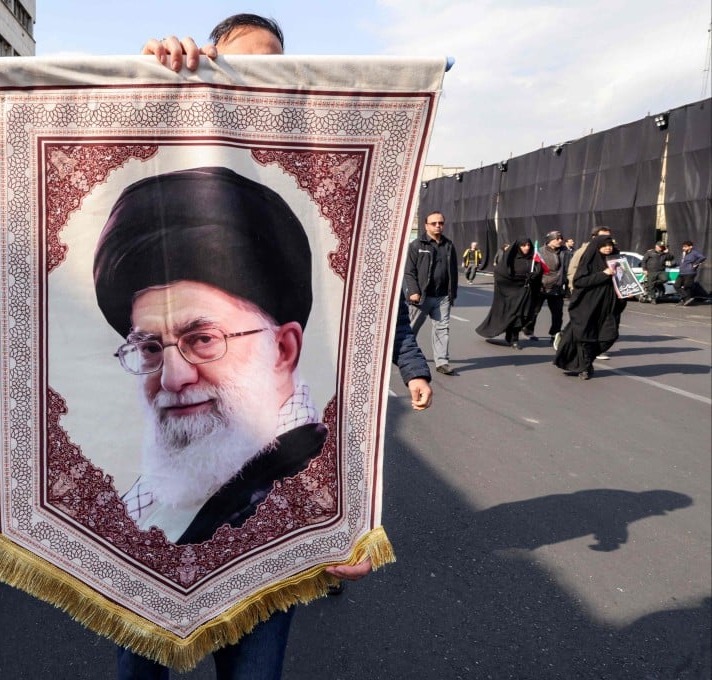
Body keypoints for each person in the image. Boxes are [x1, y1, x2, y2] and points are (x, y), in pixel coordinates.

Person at [133, 15, 433, 680]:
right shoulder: (182, 126)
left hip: (270, 542)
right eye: (152, 348)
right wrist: (157, 73)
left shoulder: (303, 156)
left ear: (285, 344)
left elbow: (363, 303)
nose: (176, 374)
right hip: (159, 564)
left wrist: (408, 365)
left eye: (205, 337)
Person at [553, 236, 619, 380]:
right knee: (586, 338)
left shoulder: (615, 261)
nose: (608, 247)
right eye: (605, 245)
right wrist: (603, 274)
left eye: (610, 245)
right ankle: (585, 366)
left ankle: (586, 361)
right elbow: (580, 281)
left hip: (608, 307)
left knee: (609, 336)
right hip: (588, 306)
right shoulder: (589, 261)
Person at [404, 211, 459, 375]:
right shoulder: (417, 245)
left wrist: (452, 293)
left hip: (442, 297)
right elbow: (409, 271)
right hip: (422, 297)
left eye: (440, 223)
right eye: (434, 223)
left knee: (442, 329)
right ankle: (401, 354)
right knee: (410, 329)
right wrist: (414, 291)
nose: (438, 226)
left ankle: (442, 362)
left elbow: (453, 271)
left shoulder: (448, 245)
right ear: (426, 225)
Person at [475, 239, 541, 348]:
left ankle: (511, 336)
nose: (526, 248)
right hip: (512, 294)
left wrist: (535, 275)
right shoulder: (510, 259)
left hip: (527, 294)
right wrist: (518, 279)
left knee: (524, 317)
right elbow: (500, 273)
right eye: (523, 245)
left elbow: (538, 275)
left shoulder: (533, 260)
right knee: (515, 316)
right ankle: (514, 339)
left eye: (528, 245)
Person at [523, 231, 568, 341]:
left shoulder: (565, 251)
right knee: (534, 311)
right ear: (549, 240)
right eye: (557, 239)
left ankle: (555, 334)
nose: (560, 241)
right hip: (541, 287)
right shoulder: (539, 252)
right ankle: (528, 331)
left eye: (561, 238)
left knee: (558, 312)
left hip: (558, 287)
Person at [676, 241, 706, 306]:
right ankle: (687, 298)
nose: (683, 248)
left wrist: (696, 263)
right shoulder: (683, 253)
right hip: (682, 272)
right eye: (683, 247)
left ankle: (684, 301)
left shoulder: (694, 253)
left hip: (690, 272)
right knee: (676, 285)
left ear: (690, 247)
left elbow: (703, 257)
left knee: (687, 286)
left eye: (685, 247)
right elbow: (681, 262)